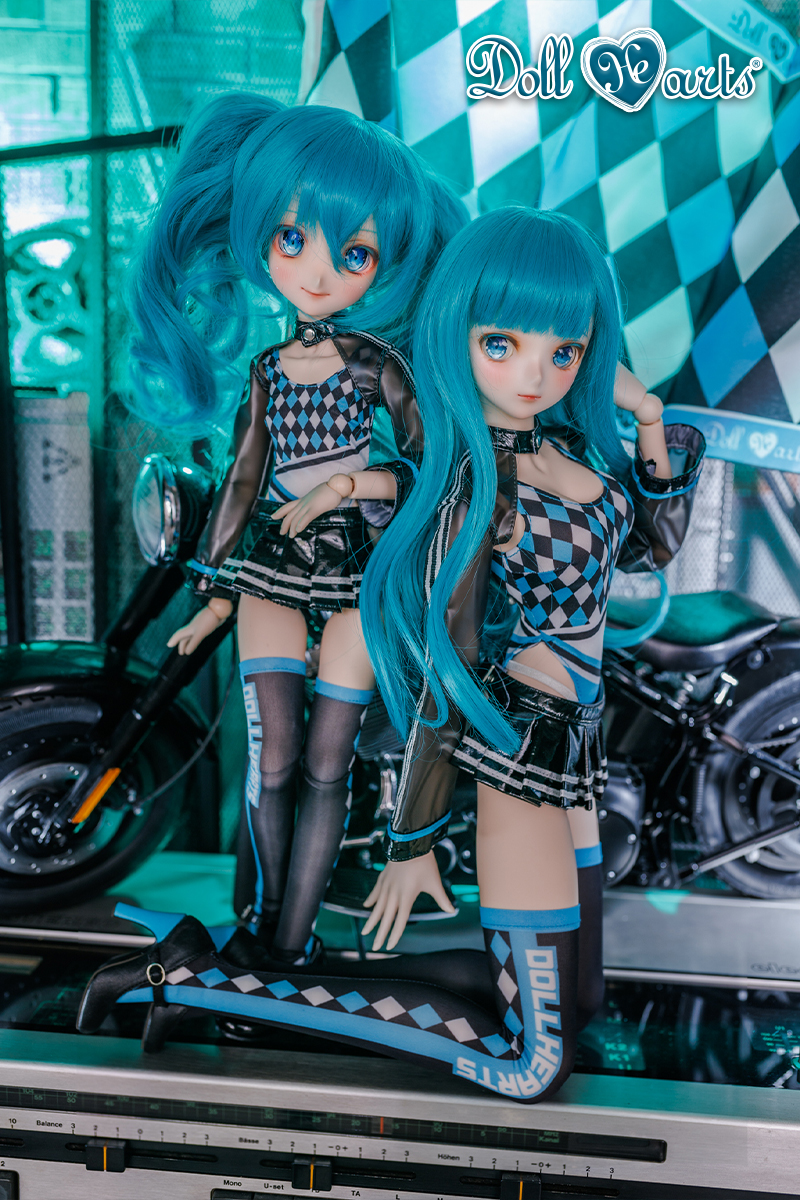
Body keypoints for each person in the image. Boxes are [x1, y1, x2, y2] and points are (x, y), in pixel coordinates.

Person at [79, 207, 703, 1103]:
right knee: (533, 1068)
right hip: (520, 754)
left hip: (579, 754)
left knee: (582, 1000)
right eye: (502, 344)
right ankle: (189, 981)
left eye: (564, 350)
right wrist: (414, 838)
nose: (535, 373)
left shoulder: (579, 460)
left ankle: (260, 977)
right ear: (456, 338)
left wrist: (646, 417)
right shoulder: (474, 489)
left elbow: (650, 547)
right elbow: (450, 669)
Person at [129, 91, 466, 966]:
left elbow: (428, 470)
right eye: (292, 240)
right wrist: (211, 592)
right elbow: (242, 480)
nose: (318, 274)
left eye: (354, 253)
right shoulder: (267, 370)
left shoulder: (378, 368)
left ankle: (290, 939)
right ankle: (263, 925)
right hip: (270, 570)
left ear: (384, 264)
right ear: (259, 241)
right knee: (270, 759)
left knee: (326, 764)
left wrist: (352, 485)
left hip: (356, 572)